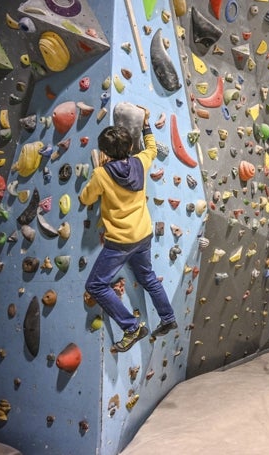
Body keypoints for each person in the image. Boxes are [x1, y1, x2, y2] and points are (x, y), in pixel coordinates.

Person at [79, 107, 177, 353]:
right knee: (148, 278)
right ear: (131, 147)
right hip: (143, 234)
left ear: (104, 153)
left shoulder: (102, 175)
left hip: (120, 242)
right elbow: (152, 149)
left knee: (96, 285)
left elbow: (85, 199)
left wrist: (97, 171)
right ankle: (168, 318)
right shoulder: (140, 162)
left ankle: (131, 328)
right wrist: (145, 124)